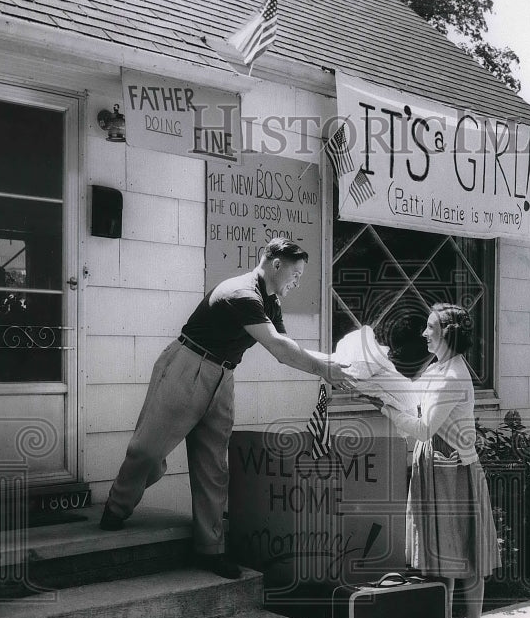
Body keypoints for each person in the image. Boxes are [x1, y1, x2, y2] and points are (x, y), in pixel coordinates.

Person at [100, 238, 356, 579]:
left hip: (223, 376)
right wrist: (326, 369)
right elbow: (279, 348)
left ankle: (209, 549)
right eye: (296, 273)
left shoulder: (270, 303)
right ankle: (116, 508)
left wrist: (341, 365)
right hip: (187, 365)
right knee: (146, 451)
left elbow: (289, 346)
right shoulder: (241, 292)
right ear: (275, 264)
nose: (297, 282)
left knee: (213, 466)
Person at [365, 303, 501, 618]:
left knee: (467, 555)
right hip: (436, 466)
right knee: (441, 554)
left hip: (455, 472)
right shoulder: (437, 369)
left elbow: (424, 426)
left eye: (430, 328)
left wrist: (386, 407)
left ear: (449, 334)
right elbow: (420, 410)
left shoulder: (453, 376)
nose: (424, 334)